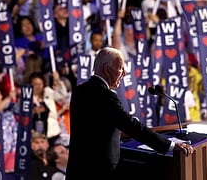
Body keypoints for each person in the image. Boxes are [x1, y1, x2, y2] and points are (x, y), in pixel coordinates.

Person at [66, 47, 193, 179]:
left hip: (77, 170)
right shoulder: (106, 96)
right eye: (120, 68)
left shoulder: (79, 91)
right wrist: (170, 145)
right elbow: (132, 126)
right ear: (107, 70)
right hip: (99, 172)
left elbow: (97, 126)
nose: (125, 73)